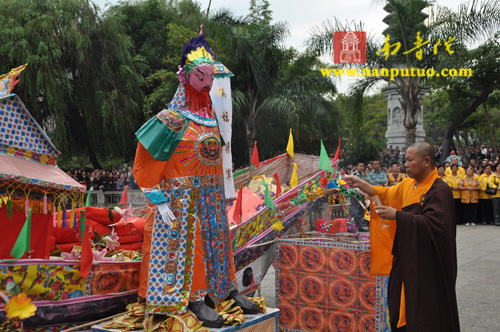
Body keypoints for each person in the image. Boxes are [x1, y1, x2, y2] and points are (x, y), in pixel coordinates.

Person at [132, 29, 256, 327]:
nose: (210, 82)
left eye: (212, 77)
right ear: (187, 76)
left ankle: (224, 290)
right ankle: (192, 298)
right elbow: (144, 162)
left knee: (217, 241)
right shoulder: (171, 119)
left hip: (210, 196)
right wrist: (157, 198)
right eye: (203, 75)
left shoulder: (209, 118)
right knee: (192, 246)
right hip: (181, 198)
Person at [344, 142, 460, 332]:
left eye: (409, 160)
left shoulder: (439, 190)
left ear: (426, 161)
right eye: (404, 160)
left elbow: (436, 226)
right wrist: (363, 185)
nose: (405, 164)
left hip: (428, 264)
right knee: (399, 307)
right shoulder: (408, 184)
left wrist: (398, 215)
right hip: (406, 257)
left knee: (425, 313)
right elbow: (387, 193)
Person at [351, 162, 367, 231]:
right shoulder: (354, 175)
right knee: (355, 211)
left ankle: (359, 227)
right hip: (355, 195)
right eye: (360, 166)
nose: (361, 167)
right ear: (357, 167)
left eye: (362, 166)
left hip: (362, 195)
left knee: (361, 211)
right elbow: (351, 185)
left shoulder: (363, 175)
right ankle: (352, 227)